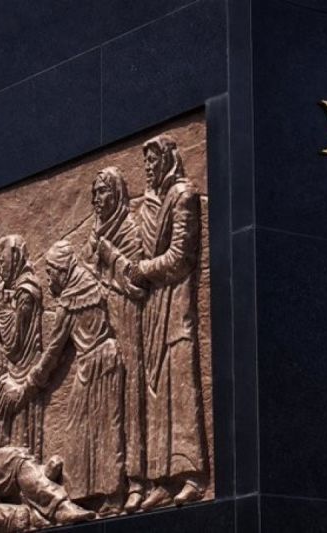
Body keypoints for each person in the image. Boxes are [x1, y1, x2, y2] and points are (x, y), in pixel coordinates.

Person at [99, 135, 208, 510]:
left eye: (153, 159)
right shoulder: (151, 202)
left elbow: (180, 257)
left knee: (181, 390)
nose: (148, 167)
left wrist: (142, 270)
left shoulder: (183, 196)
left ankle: (192, 475)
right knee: (156, 396)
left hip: (175, 309)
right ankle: (162, 480)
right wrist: (123, 262)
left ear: (168, 159)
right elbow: (142, 251)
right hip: (150, 312)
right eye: (144, 161)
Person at [0, 240, 126, 514]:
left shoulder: (69, 302)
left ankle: (96, 496)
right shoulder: (89, 281)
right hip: (108, 360)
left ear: (62, 270)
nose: (49, 281)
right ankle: (105, 496)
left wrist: (26, 389)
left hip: (94, 366)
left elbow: (52, 355)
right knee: (104, 428)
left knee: (85, 428)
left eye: (51, 273)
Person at [83, 166, 147, 511]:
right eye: (94, 192)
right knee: (106, 404)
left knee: (130, 399)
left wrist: (110, 255)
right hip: (100, 328)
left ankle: (136, 481)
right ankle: (109, 484)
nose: (97, 198)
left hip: (126, 319)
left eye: (103, 191)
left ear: (118, 193)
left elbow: (137, 281)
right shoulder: (95, 233)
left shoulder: (129, 229)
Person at [0, 234, 44, 458]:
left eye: (3, 262)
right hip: (16, 371)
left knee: (23, 435)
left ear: (15, 258)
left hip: (24, 373)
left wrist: (1, 310)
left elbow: (14, 342)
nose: (1, 268)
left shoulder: (25, 293)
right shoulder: (19, 290)